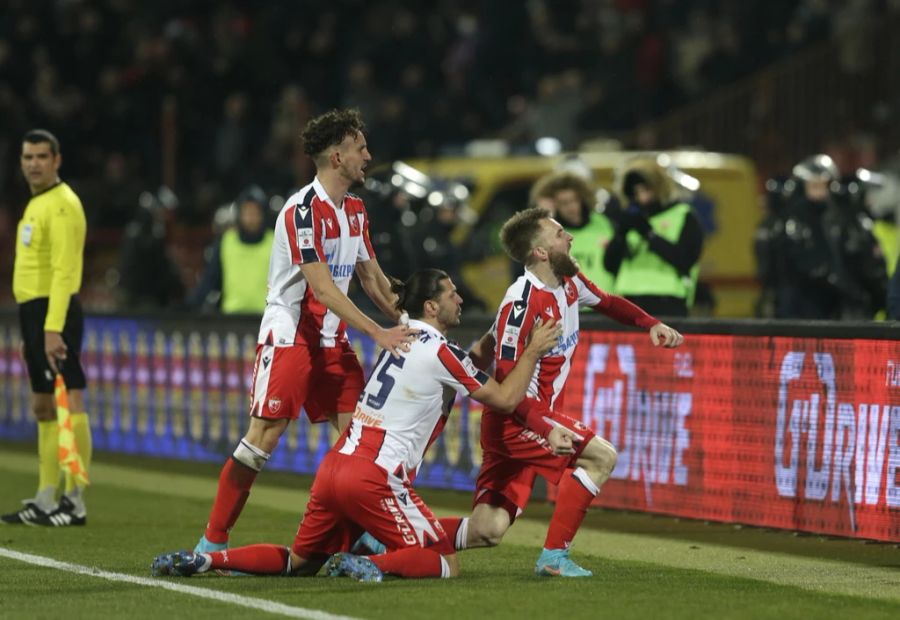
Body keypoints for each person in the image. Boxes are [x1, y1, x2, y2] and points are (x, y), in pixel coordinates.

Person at [151, 269, 572, 580]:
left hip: (335, 468)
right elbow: (504, 397)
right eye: (452, 293)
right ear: (431, 306)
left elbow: (465, 363)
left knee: (299, 563)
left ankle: (209, 559)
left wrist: (498, 333)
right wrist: (532, 349)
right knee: (443, 563)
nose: (460, 299)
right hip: (376, 476)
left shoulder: (404, 337)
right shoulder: (441, 353)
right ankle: (367, 562)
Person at [193, 109, 415, 557]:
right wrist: (378, 331)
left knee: (359, 443)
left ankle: (348, 541)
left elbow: (373, 279)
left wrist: (412, 322)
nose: (368, 156)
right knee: (264, 438)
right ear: (337, 157)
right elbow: (322, 287)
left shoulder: (355, 211)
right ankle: (212, 539)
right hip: (292, 336)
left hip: (334, 341)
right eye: (360, 148)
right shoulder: (301, 211)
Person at [428, 207, 684, 577]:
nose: (570, 237)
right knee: (601, 458)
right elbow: (504, 384)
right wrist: (545, 427)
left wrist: (651, 323)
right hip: (518, 420)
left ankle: (392, 539)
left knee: (487, 530)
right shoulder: (521, 304)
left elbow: (608, 302)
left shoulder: (569, 281)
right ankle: (554, 557)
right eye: (560, 232)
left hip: (527, 421)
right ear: (541, 252)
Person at [2, 129, 91, 527]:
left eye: (41, 156)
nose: (33, 163)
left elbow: (64, 272)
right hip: (34, 313)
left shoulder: (62, 205)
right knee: (42, 406)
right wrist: (32, 327)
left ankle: (74, 500)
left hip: (54, 314)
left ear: (57, 160)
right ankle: (43, 497)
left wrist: (52, 328)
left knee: (68, 399)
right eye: (27, 157)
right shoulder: (38, 203)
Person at [603, 157, 704, 317]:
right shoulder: (631, 220)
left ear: (659, 187)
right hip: (629, 301)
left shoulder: (683, 216)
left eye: (646, 190)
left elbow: (685, 260)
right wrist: (620, 236)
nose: (642, 198)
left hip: (668, 302)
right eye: (636, 193)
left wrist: (649, 235)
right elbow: (609, 265)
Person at [186, 185, 274, 314]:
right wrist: (189, 307)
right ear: (239, 214)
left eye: (255, 213)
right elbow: (209, 280)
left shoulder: (275, 241)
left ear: (263, 215)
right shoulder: (226, 242)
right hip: (231, 319)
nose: (251, 219)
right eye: (247, 213)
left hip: (267, 318)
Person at [530, 170, 618, 292]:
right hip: (568, 303)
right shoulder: (550, 233)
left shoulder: (603, 223)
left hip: (604, 301)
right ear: (555, 205)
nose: (571, 207)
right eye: (564, 203)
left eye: (574, 200)